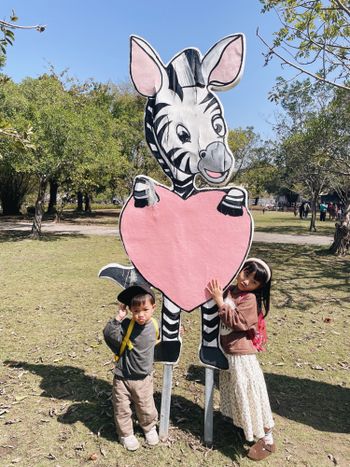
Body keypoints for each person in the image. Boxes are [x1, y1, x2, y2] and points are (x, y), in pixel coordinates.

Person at [207, 258, 275, 462]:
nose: (246, 282)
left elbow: (238, 322)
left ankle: (267, 438)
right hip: (229, 352)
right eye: (246, 275)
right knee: (237, 390)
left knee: (250, 392)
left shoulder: (249, 299)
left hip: (242, 355)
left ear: (259, 287)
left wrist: (220, 301)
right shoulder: (232, 290)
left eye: (253, 282)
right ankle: (243, 424)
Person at [103, 284, 159, 451]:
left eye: (145, 310)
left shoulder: (156, 325)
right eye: (135, 311)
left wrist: (178, 331)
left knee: (146, 405)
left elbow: (167, 338)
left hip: (144, 378)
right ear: (130, 310)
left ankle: (149, 428)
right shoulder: (127, 325)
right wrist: (118, 318)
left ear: (153, 308)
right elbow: (108, 334)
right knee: (122, 407)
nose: (140, 315)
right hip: (122, 376)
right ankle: (126, 434)